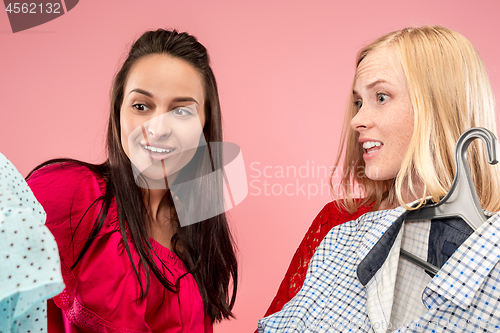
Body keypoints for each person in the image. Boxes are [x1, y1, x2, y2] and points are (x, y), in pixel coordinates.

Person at [258, 25, 500, 332]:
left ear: (439, 106)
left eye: (381, 97)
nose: (357, 120)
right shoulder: (338, 225)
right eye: (358, 102)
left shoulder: (490, 248)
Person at [26, 29, 237, 332]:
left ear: (205, 124)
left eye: (181, 111)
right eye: (141, 106)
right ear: (118, 111)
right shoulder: (67, 193)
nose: (158, 128)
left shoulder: (200, 234)